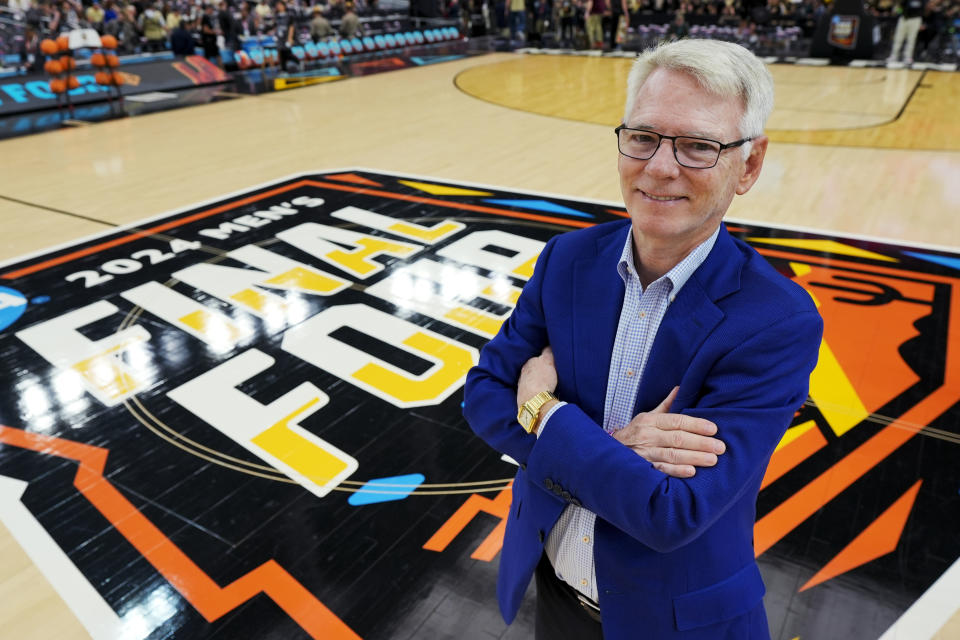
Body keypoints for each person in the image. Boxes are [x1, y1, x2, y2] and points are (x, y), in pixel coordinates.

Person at [463, 39, 822, 640]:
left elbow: (670, 512)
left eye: (699, 146)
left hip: (677, 622)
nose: (659, 166)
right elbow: (482, 394)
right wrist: (617, 454)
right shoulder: (568, 259)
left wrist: (544, 413)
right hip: (552, 589)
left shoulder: (777, 321)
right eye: (644, 137)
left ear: (750, 165)